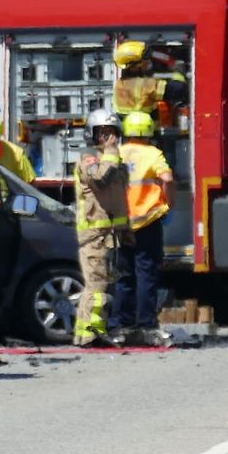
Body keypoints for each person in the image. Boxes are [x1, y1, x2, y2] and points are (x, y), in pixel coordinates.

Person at [109, 112, 175, 347]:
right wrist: (168, 202)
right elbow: (166, 178)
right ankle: (146, 324)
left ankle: (120, 325)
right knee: (146, 273)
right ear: (149, 132)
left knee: (124, 275)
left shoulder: (115, 153)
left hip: (121, 222)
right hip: (146, 222)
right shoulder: (152, 154)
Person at [71, 110, 132, 348]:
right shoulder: (89, 159)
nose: (109, 139)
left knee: (105, 287)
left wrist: (127, 229)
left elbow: (120, 198)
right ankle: (89, 334)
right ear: (92, 135)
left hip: (112, 236)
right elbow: (99, 180)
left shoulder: (114, 161)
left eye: (112, 133)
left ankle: (93, 330)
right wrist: (110, 154)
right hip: (95, 236)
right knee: (96, 287)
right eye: (103, 133)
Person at [113, 40, 187, 119]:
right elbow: (178, 89)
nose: (148, 62)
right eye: (145, 60)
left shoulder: (119, 84)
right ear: (134, 67)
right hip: (146, 128)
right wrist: (178, 74)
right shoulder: (146, 84)